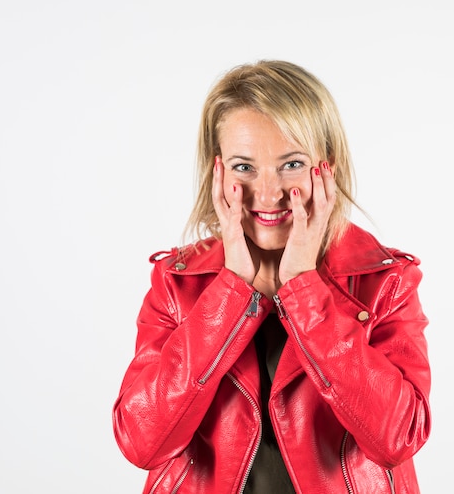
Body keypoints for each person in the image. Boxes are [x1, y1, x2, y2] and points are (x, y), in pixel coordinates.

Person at [112, 60, 431, 493]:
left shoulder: (385, 282)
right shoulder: (176, 283)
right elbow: (141, 442)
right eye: (244, 167)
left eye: (292, 164)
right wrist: (230, 290)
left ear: (327, 168)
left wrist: (303, 288)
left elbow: (397, 439)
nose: (268, 193)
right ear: (217, 171)